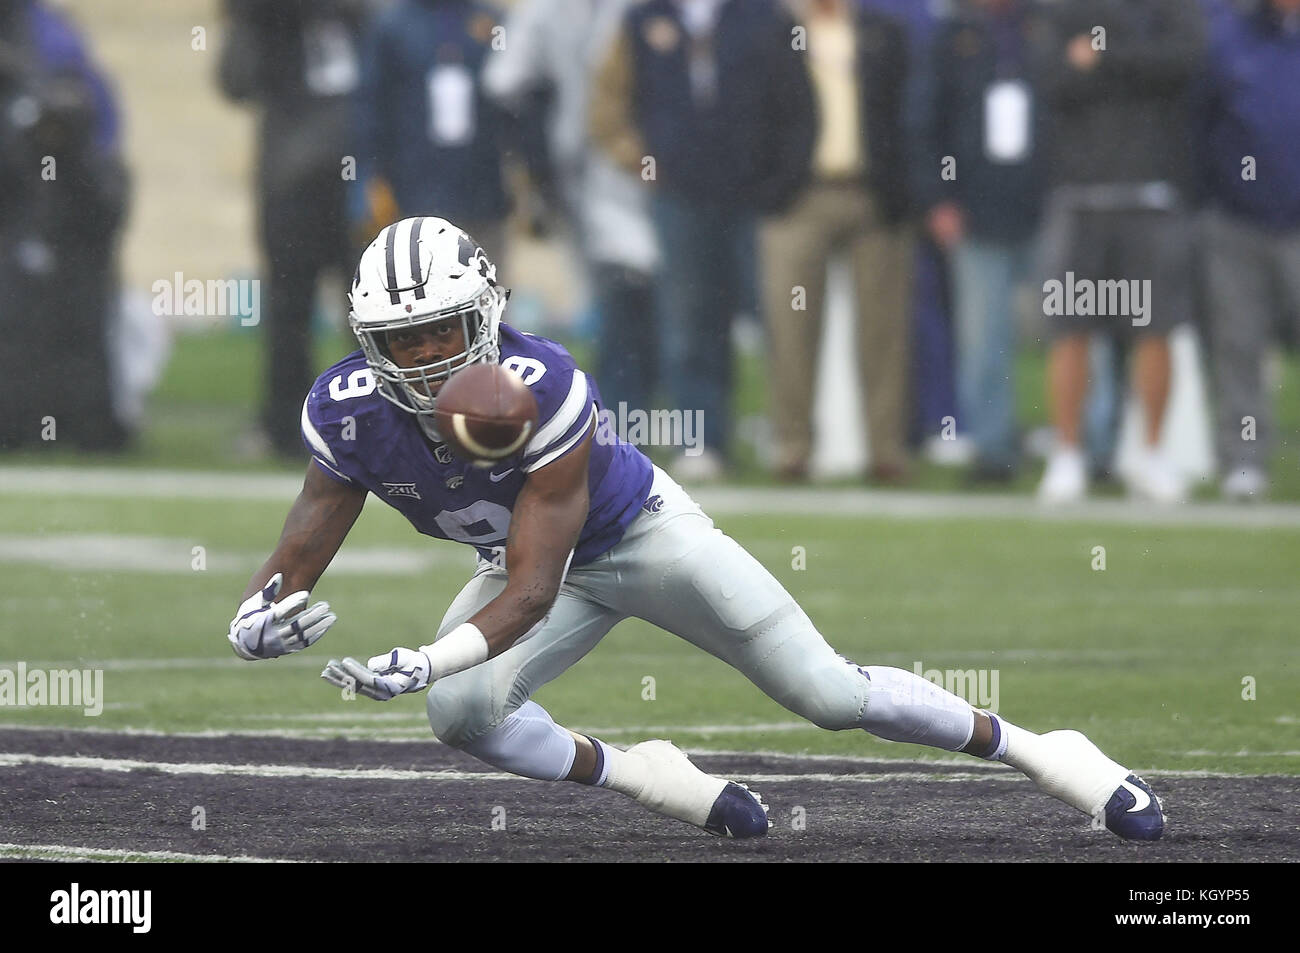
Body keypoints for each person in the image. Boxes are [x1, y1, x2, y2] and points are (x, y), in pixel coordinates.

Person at [226, 216, 1166, 841]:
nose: (429, 359)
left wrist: (425, 656)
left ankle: (1048, 753)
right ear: (368, 343)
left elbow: (534, 584)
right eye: (405, 341)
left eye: (444, 332)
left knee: (829, 694)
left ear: (486, 316)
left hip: (636, 539)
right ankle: (647, 776)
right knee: (464, 716)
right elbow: (311, 530)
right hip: (524, 566)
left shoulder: (544, 385)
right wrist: (263, 611)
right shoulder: (347, 411)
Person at [1198, 0, 1300, 500]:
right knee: (1239, 344)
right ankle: (1243, 461)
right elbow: (1201, 121)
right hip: (1237, 220)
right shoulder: (1229, 37)